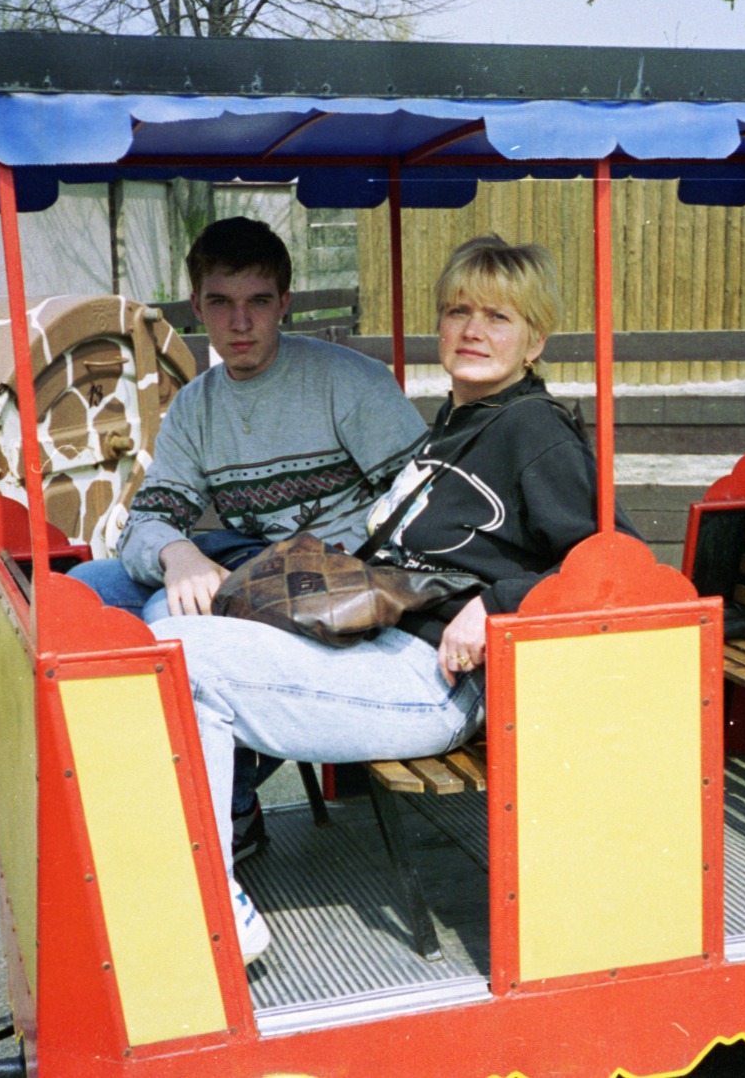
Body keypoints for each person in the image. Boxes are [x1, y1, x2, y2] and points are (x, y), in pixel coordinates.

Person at [152, 235, 640, 965]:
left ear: (535, 339)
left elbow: (620, 567)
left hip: (440, 682)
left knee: (182, 657)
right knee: (167, 625)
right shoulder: (456, 427)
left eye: (499, 318)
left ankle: (214, 902)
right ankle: (209, 855)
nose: (473, 331)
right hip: (382, 643)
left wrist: (498, 602)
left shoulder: (533, 431)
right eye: (458, 311)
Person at [68, 216, 426, 860]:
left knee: (167, 618)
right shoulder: (198, 406)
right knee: (86, 590)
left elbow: (423, 499)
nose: (240, 324)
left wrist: (340, 562)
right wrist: (179, 555)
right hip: (254, 575)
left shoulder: (347, 383)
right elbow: (147, 518)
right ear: (197, 307)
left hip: (340, 586)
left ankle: (226, 811)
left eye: (258, 302)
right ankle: (140, 787)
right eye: (220, 304)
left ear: (283, 303)